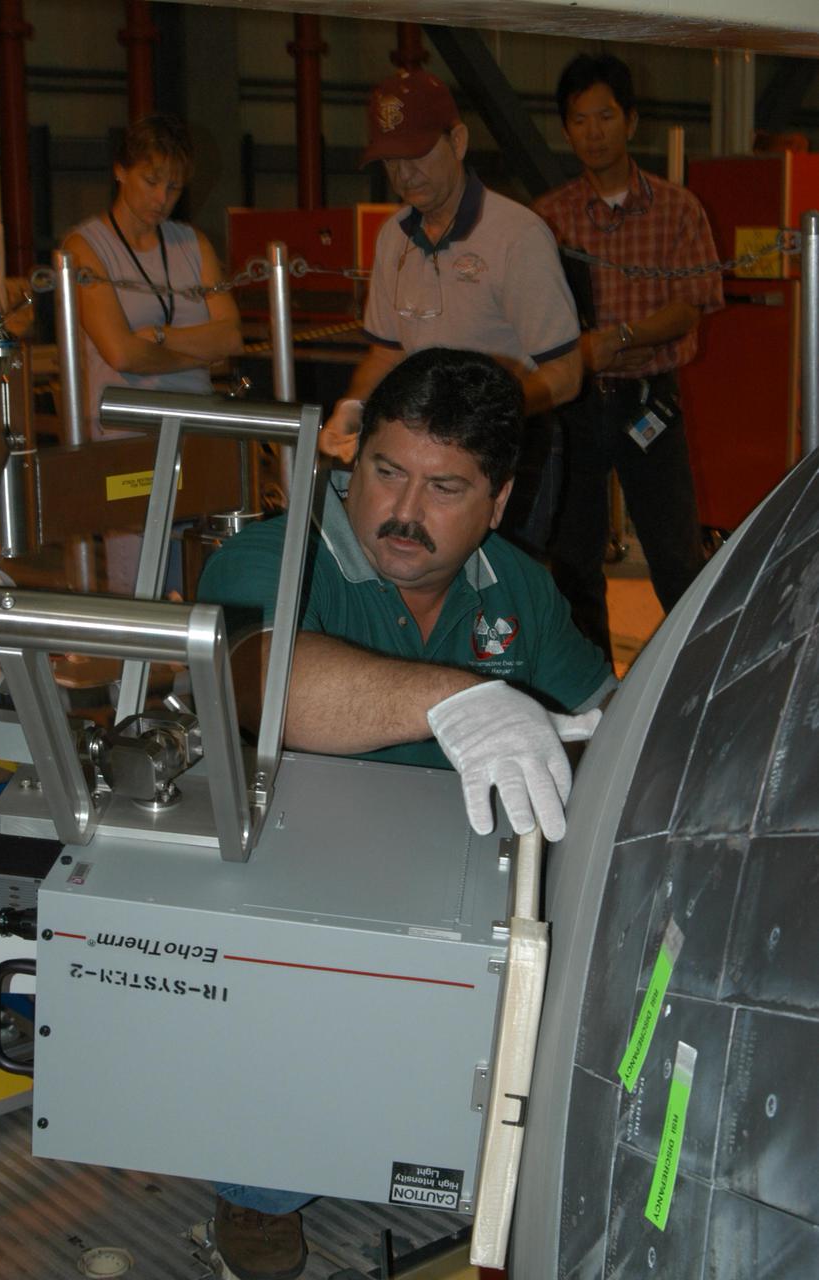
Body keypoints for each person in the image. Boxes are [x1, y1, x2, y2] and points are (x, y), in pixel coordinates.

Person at [197, 347, 615, 1280]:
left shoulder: (518, 588)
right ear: (354, 462)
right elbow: (260, 679)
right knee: (292, 1039)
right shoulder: (276, 553)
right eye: (386, 472)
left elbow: (600, 714)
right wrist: (452, 700)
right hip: (299, 883)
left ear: (499, 501)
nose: (405, 514)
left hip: (459, 875)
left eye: (446, 487)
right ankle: (253, 1188)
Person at [318, 68, 582, 550]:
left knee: (505, 601)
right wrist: (355, 409)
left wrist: (482, 418)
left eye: (417, 154)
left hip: (511, 453)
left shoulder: (517, 237)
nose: (404, 173)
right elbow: (386, 354)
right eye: (391, 161)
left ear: (458, 141)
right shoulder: (392, 236)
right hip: (425, 456)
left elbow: (565, 372)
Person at [535, 53, 724, 662]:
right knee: (573, 556)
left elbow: (689, 306)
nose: (594, 132)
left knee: (674, 553)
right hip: (576, 406)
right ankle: (591, 689)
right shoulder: (548, 218)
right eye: (580, 120)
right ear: (567, 131)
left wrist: (613, 340)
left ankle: (694, 675)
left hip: (650, 402)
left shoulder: (678, 208)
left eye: (606, 116)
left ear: (631, 121)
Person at [62, 113, 243, 592]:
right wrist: (196, 349)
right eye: (152, 180)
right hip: (128, 438)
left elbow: (230, 338)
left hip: (195, 434)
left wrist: (160, 338)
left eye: (175, 187)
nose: (161, 199)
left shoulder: (192, 244)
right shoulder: (85, 247)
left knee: (198, 582)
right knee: (138, 587)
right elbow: (121, 354)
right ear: (120, 170)